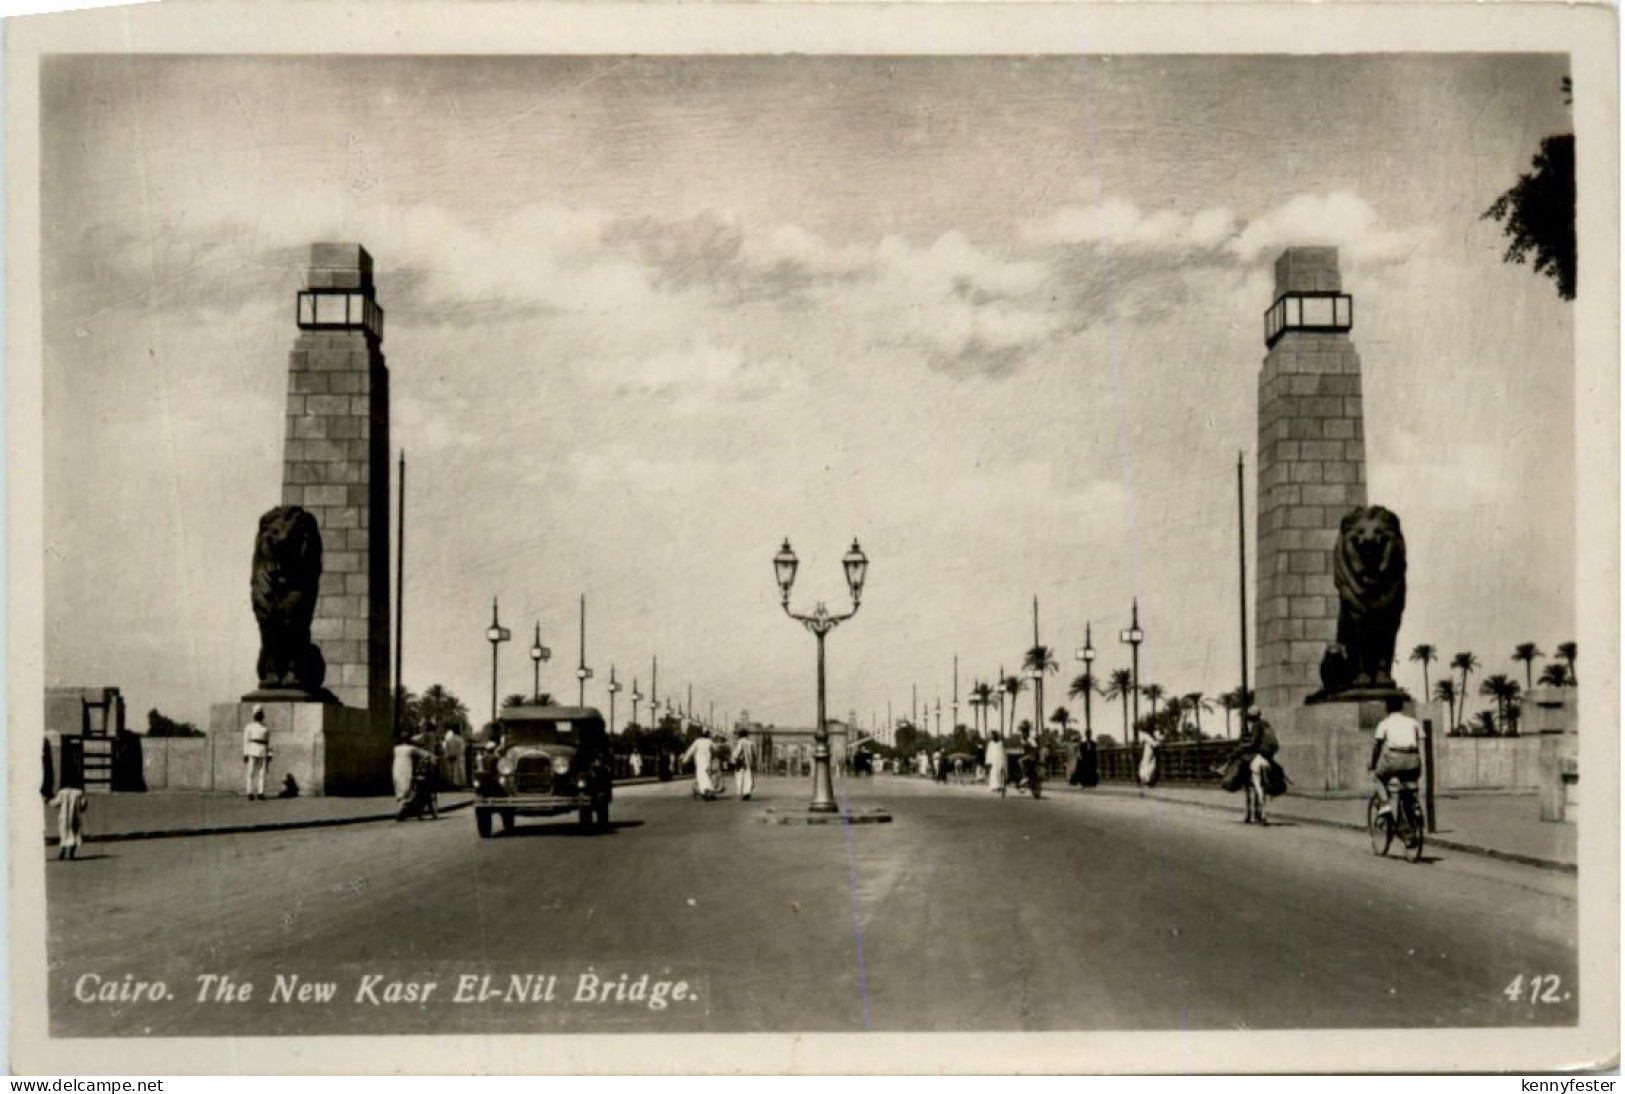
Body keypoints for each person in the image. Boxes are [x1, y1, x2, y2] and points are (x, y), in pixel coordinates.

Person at [1370, 695, 1425, 818]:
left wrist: (1373, 765)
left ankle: (1385, 804)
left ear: (1386, 708)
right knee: (1409, 783)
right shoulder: (1413, 722)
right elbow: (1421, 739)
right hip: (1413, 759)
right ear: (1402, 707)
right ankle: (1413, 804)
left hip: (1394, 759)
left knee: (1379, 777)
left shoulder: (1384, 723)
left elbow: (1377, 746)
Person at [392, 735, 433, 813]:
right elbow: (425, 754)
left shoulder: (396, 749)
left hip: (396, 770)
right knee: (408, 786)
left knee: (399, 787)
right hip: (406, 770)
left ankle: (401, 804)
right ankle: (407, 804)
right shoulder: (410, 748)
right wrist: (433, 757)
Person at [50, 779, 87, 860]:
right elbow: (83, 805)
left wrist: (50, 801)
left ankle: (63, 851)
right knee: (74, 833)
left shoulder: (62, 792)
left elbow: (55, 803)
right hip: (75, 817)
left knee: (64, 833)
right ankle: (71, 854)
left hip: (64, 817)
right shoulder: (79, 793)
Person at [242, 705, 272, 800]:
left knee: (262, 773)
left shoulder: (266, 727)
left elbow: (268, 742)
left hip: (263, 750)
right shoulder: (249, 726)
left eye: (260, 714)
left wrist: (269, 754)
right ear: (254, 715)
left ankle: (261, 792)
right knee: (250, 772)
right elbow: (246, 741)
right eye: (257, 714)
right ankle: (249, 792)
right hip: (252, 750)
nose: (259, 715)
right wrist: (245, 753)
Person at [680, 729, 717, 800]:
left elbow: (690, 751)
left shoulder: (697, 741)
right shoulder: (709, 741)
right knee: (707, 775)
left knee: (701, 776)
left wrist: (685, 760)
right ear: (707, 734)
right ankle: (707, 791)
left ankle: (705, 791)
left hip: (699, 761)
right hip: (707, 761)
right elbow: (715, 750)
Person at [731, 728, 757, 801]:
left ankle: (741, 792)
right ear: (746, 735)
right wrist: (754, 762)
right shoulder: (750, 743)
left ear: (740, 735)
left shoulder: (740, 742)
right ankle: (747, 792)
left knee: (740, 778)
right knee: (748, 778)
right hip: (749, 763)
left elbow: (737, 752)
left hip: (741, 763)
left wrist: (733, 758)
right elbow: (754, 754)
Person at [441, 725, 465, 790]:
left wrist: (449, 755)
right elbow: (462, 749)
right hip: (458, 758)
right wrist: (456, 755)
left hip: (450, 757)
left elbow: (445, 748)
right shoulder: (460, 739)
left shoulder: (448, 739)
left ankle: (451, 784)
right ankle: (458, 785)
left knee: (451, 771)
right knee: (458, 771)